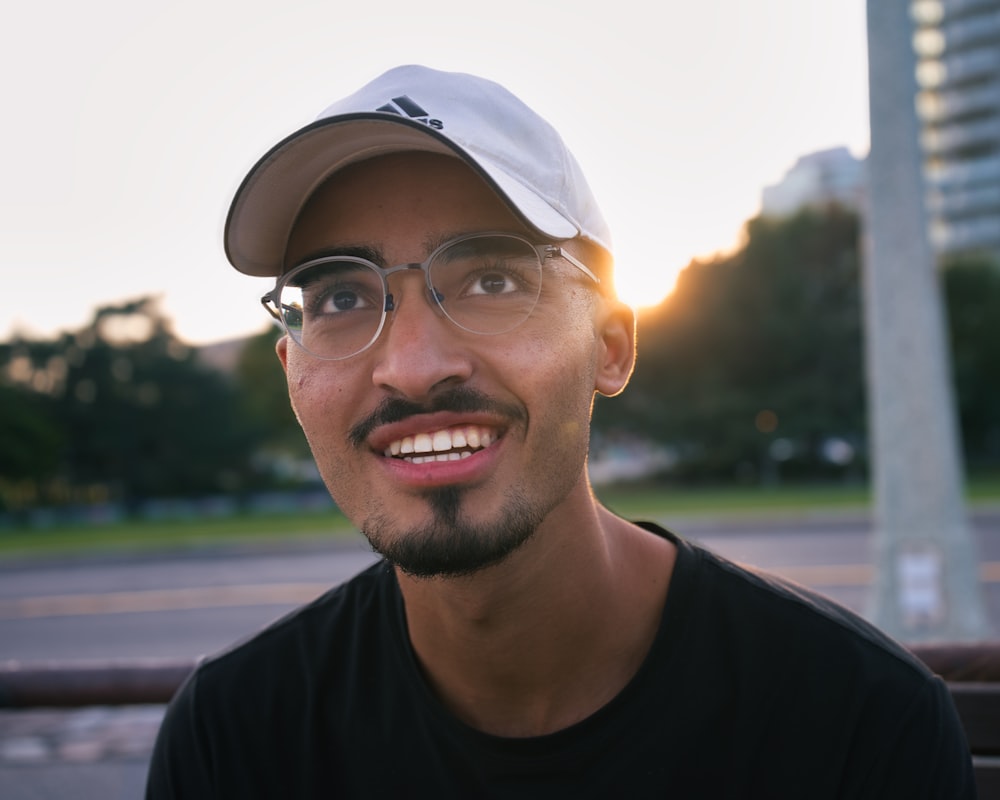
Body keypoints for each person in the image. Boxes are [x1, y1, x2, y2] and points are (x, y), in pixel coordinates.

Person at [146, 65, 974, 798]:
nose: (411, 366)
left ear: (610, 346)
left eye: (492, 278)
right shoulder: (235, 739)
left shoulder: (855, 720)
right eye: (340, 298)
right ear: (294, 375)